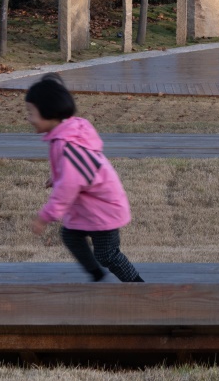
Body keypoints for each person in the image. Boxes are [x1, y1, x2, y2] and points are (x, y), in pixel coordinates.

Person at [24, 74, 142, 282]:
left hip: (104, 208)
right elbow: (75, 172)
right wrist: (58, 177)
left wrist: (44, 217)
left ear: (49, 112)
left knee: (107, 255)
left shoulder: (69, 145)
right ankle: (96, 275)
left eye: (31, 112)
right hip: (90, 207)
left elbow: (66, 190)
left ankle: (137, 286)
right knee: (70, 235)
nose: (29, 118)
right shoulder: (66, 134)